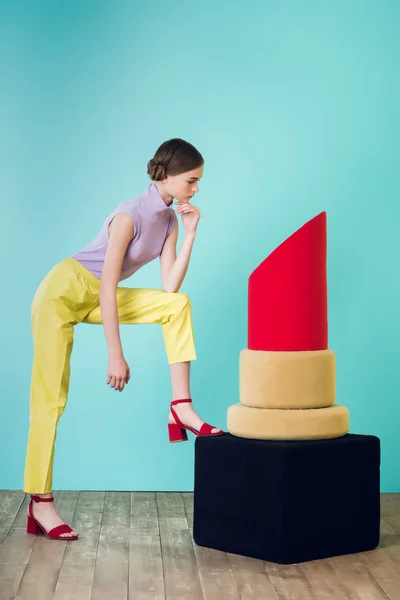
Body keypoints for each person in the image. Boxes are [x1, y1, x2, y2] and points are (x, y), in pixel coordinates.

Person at [23, 138, 224, 541]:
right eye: (192, 180)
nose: (196, 189)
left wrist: (191, 232)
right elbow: (106, 285)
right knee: (51, 398)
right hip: (64, 292)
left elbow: (169, 286)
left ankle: (181, 407)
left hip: (102, 295)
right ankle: (39, 503)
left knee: (178, 305)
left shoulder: (168, 220)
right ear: (167, 175)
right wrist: (116, 355)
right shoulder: (128, 214)